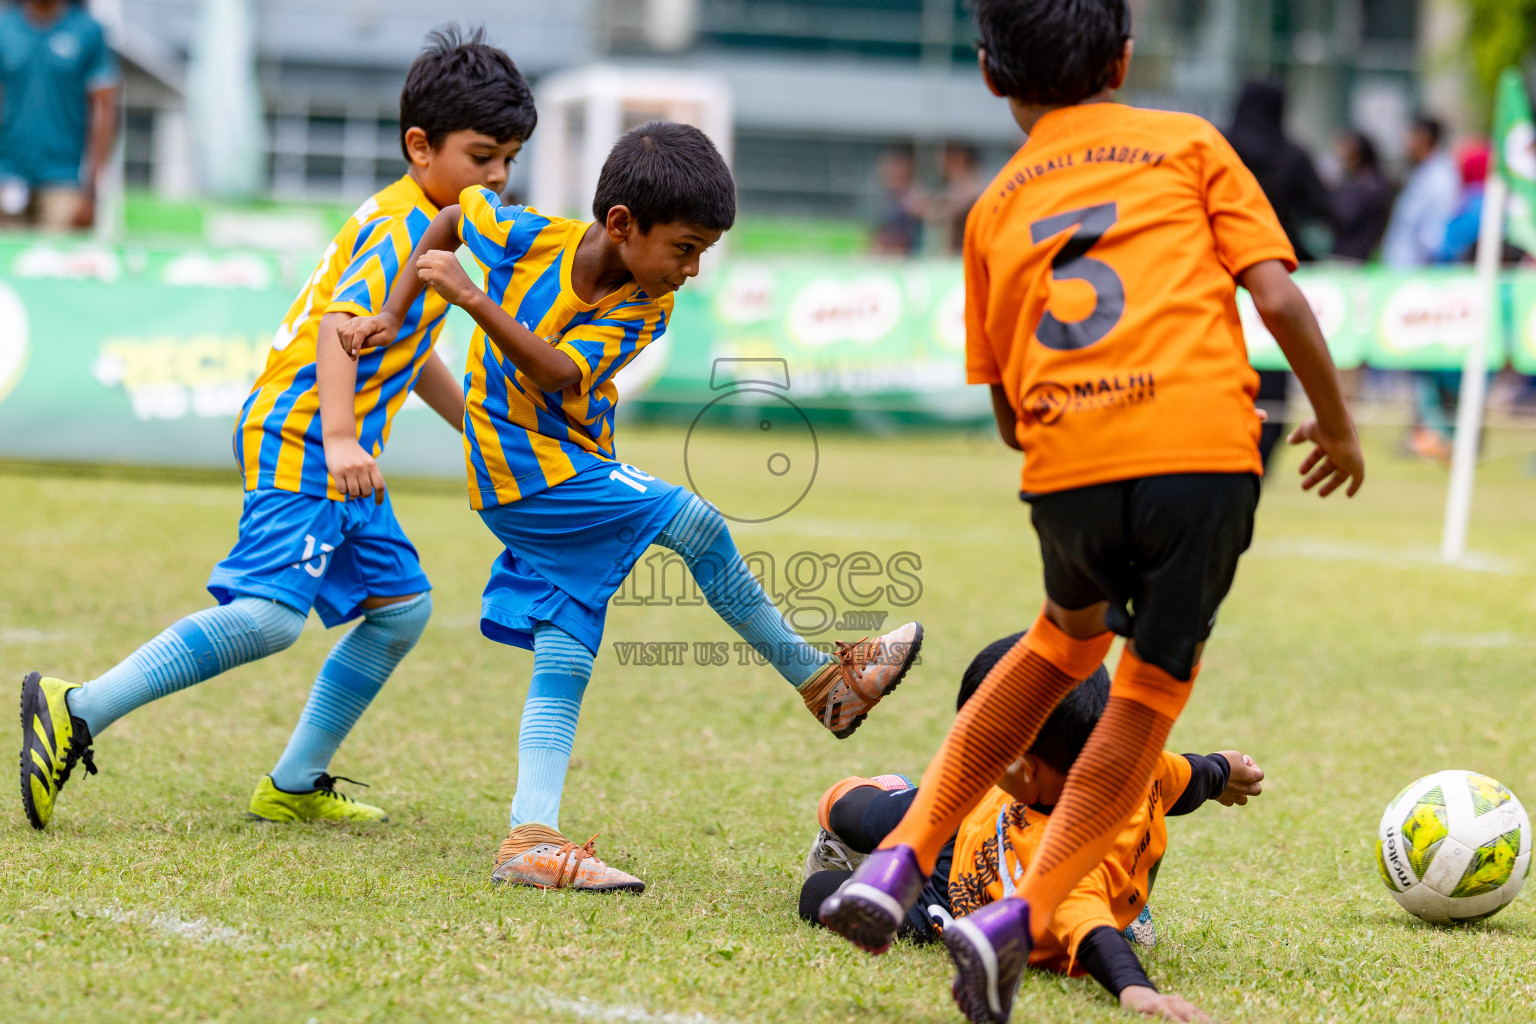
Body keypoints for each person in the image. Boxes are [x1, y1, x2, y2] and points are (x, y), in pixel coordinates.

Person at [816, 3, 1364, 1022]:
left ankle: (897, 863)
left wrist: (1076, 454)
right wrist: (1337, 426)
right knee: (1144, 695)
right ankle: (1015, 917)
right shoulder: (1191, 144)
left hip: (1067, 460)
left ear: (989, 76)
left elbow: (1001, 400)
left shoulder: (989, 208)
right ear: (1123, 56)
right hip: (1200, 455)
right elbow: (1281, 302)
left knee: (1062, 639)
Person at [337, 121, 924, 892]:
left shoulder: (647, 307)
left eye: (704, 253)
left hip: (567, 465)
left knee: (567, 641)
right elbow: (452, 217)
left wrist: (468, 296)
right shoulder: (528, 234)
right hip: (528, 473)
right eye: (685, 248)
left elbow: (554, 374)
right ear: (621, 225)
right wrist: (394, 308)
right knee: (694, 520)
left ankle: (529, 837)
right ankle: (821, 682)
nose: (691, 269)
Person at [18, 28, 534, 830]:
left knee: (401, 610)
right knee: (267, 618)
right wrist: (338, 440)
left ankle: (293, 782)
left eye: (509, 158)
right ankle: (75, 706)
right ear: (420, 146)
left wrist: (478, 428)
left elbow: (406, 347)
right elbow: (338, 330)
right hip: (303, 435)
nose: (498, 177)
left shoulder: (436, 222)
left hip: (337, 446)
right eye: (482, 156)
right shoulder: (404, 226)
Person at [800, 633, 1265, 1022]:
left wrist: (1136, 991)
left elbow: (1091, 933)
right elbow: (1186, 777)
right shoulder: (1131, 764)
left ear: (1023, 767)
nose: (970, 757)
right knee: (842, 809)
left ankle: (880, 846)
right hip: (970, 815)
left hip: (954, 893)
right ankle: (884, 802)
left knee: (818, 894)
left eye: (980, 750)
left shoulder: (1062, 863)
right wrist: (1225, 770)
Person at [1226, 79, 1333, 470]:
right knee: (1272, 380)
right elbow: (1325, 208)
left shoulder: (1219, 147)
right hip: (1274, 272)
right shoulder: (1292, 157)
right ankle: (1259, 459)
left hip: (1217, 279)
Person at [0, 0, 118, 231]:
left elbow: (104, 112)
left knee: (60, 264)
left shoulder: (89, 31)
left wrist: (93, 190)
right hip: (8, 175)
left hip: (65, 179)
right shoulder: (5, 28)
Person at [1381, 116, 1460, 269]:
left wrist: (1429, 257)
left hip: (1421, 269)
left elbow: (1439, 222)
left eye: (1411, 135)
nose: (1406, 142)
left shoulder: (1441, 175)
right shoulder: (1418, 172)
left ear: (1424, 137)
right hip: (1403, 265)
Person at [1329, 131, 1391, 262]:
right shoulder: (1363, 181)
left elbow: (1343, 216)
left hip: (1356, 257)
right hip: (1355, 253)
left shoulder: (1367, 186)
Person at [871, 145, 923, 254]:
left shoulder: (913, 193)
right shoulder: (883, 193)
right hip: (886, 247)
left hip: (905, 248)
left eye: (897, 165)